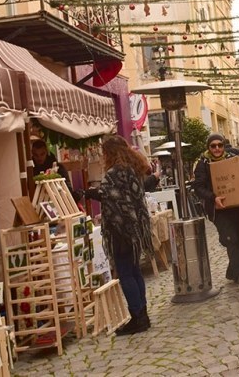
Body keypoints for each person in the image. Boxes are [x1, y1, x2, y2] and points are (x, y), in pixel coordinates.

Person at [85, 136, 153, 335]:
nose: (103, 156)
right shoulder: (134, 168)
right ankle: (143, 314)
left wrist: (90, 193)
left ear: (111, 152)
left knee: (125, 273)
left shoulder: (115, 173)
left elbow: (110, 197)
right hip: (136, 227)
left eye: (104, 153)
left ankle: (137, 316)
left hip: (121, 229)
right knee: (135, 271)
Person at [192, 133, 239, 292]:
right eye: (213, 146)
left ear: (224, 146)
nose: (217, 148)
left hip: (237, 207)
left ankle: (232, 270)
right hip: (218, 210)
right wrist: (213, 197)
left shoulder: (233, 157)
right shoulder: (202, 163)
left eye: (220, 145)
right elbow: (198, 187)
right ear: (208, 147)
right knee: (231, 239)